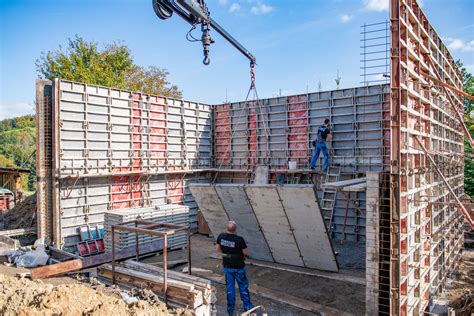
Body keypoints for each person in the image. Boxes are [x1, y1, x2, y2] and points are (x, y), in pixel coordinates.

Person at [216, 221, 253, 315]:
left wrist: (227, 253)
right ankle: (247, 307)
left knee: (230, 288)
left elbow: (218, 250)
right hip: (239, 267)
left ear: (227, 228)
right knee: (243, 288)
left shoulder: (221, 237)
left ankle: (230, 309)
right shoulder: (239, 239)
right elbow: (245, 253)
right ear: (235, 229)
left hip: (227, 266)